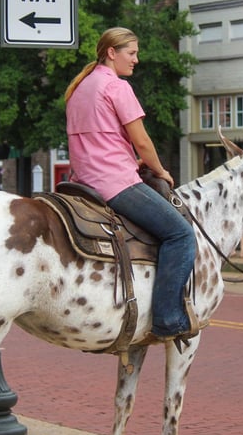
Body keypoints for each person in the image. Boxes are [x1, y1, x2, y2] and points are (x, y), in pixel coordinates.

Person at [64, 27, 197, 342]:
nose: (136, 60)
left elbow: (99, 140)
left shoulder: (79, 87)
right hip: (114, 183)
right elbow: (142, 141)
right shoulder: (116, 86)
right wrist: (159, 170)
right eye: (131, 53)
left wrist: (124, 157)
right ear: (112, 52)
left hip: (81, 181)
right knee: (180, 234)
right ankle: (167, 319)